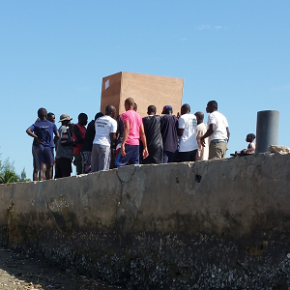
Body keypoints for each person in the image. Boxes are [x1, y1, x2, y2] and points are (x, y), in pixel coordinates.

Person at [26, 108, 59, 181]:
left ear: (38, 115)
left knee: (42, 167)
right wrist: (53, 141)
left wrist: (36, 137)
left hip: (40, 147)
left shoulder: (36, 124)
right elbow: (58, 135)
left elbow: (28, 130)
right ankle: (49, 183)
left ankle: (41, 183)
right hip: (49, 147)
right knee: (50, 166)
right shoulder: (52, 124)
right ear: (46, 115)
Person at [116, 98, 149, 167]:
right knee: (135, 167)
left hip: (128, 143)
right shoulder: (139, 116)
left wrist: (123, 144)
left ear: (126, 105)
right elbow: (142, 133)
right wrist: (145, 147)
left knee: (119, 164)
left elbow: (127, 129)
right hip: (136, 145)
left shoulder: (125, 114)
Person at [91, 106, 117, 172]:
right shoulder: (113, 122)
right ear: (111, 112)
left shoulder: (98, 120)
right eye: (114, 112)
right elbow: (112, 137)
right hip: (105, 145)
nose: (115, 114)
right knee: (103, 169)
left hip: (95, 144)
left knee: (94, 168)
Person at [55, 114, 75, 178]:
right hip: (65, 156)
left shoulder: (59, 129)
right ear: (65, 121)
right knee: (66, 175)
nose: (70, 122)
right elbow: (64, 142)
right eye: (69, 120)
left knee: (58, 176)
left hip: (59, 155)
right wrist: (73, 143)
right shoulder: (65, 129)